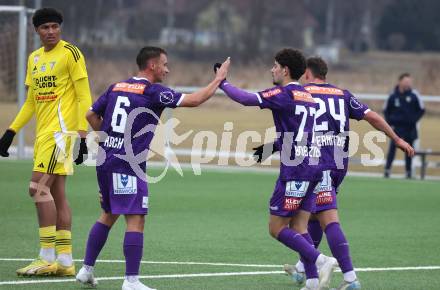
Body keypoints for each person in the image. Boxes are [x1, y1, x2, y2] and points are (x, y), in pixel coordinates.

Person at [75, 46, 229, 290]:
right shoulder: (152, 91)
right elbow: (195, 100)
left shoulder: (117, 86)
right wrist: (219, 79)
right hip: (127, 165)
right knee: (136, 220)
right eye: (164, 64)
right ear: (152, 65)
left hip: (105, 161)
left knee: (108, 214)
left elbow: (90, 115)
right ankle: (131, 281)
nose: (167, 69)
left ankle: (86, 270)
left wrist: (108, 138)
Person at [254, 57, 414, 290]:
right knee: (312, 214)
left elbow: (297, 133)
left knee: (326, 217)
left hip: (317, 162)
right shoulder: (342, 94)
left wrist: (268, 149)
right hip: (339, 162)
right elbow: (372, 116)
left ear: (306, 73)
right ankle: (304, 267)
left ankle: (349, 278)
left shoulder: (302, 93)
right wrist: (397, 138)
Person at [217, 49, 337, 290]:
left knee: (276, 228)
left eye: (275, 66)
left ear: (285, 70)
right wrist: (271, 148)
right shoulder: (307, 96)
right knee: (300, 227)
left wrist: (222, 82)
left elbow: (246, 99)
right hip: (314, 166)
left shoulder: (285, 93)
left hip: (296, 171)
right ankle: (313, 282)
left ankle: (321, 260)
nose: (271, 69)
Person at [0, 8, 91, 276]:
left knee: (36, 188)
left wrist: (83, 135)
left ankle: (46, 255)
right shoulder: (34, 58)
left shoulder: (71, 53)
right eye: (45, 28)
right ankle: (65, 261)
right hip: (43, 136)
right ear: (36, 31)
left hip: (61, 134)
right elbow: (31, 101)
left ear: (60, 28)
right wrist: (11, 131)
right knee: (58, 194)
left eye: (55, 26)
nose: (51, 32)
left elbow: (84, 96)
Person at [383, 73, 424, 178]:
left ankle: (408, 172)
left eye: (409, 82)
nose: (408, 83)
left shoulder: (414, 95)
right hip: (396, 129)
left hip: (409, 128)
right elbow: (386, 110)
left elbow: (421, 110)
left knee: (409, 150)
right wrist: (390, 124)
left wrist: (413, 120)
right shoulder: (392, 95)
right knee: (392, 149)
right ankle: (387, 170)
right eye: (406, 81)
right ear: (400, 81)